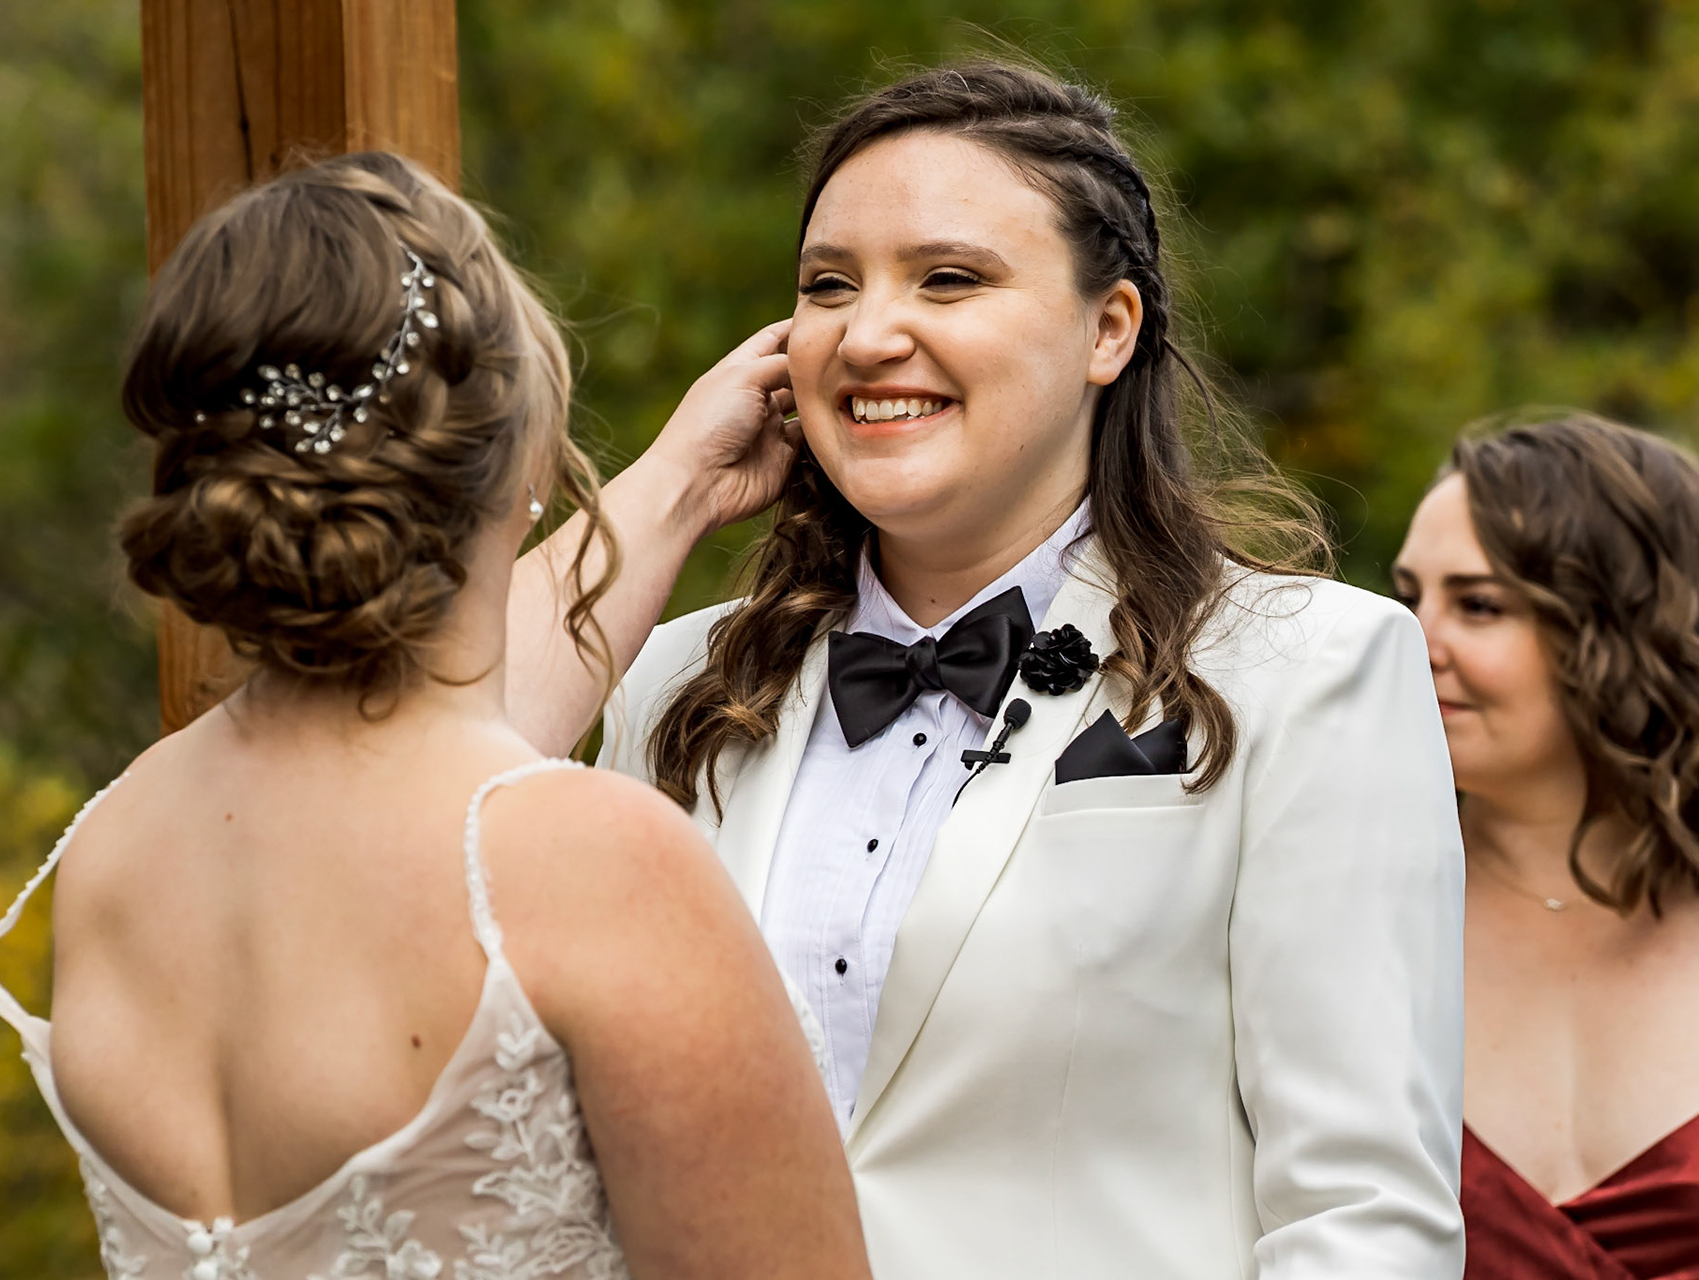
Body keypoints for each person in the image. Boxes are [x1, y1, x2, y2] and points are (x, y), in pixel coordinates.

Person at [597, 61, 1467, 1277]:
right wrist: (671, 488)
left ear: (1109, 327)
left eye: (947, 279)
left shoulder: (1313, 670)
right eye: (827, 286)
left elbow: (1364, 1216)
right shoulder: (674, 685)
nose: (868, 333)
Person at [0, 151, 872, 1280]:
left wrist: (684, 480)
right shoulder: (588, 860)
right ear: (524, 456)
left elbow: (447, 739)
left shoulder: (116, 845)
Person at [1391, 413, 1699, 1280]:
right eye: (1410, 595)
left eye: (1478, 605)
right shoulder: (1348, 914)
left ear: (1626, 630)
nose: (1414, 639)